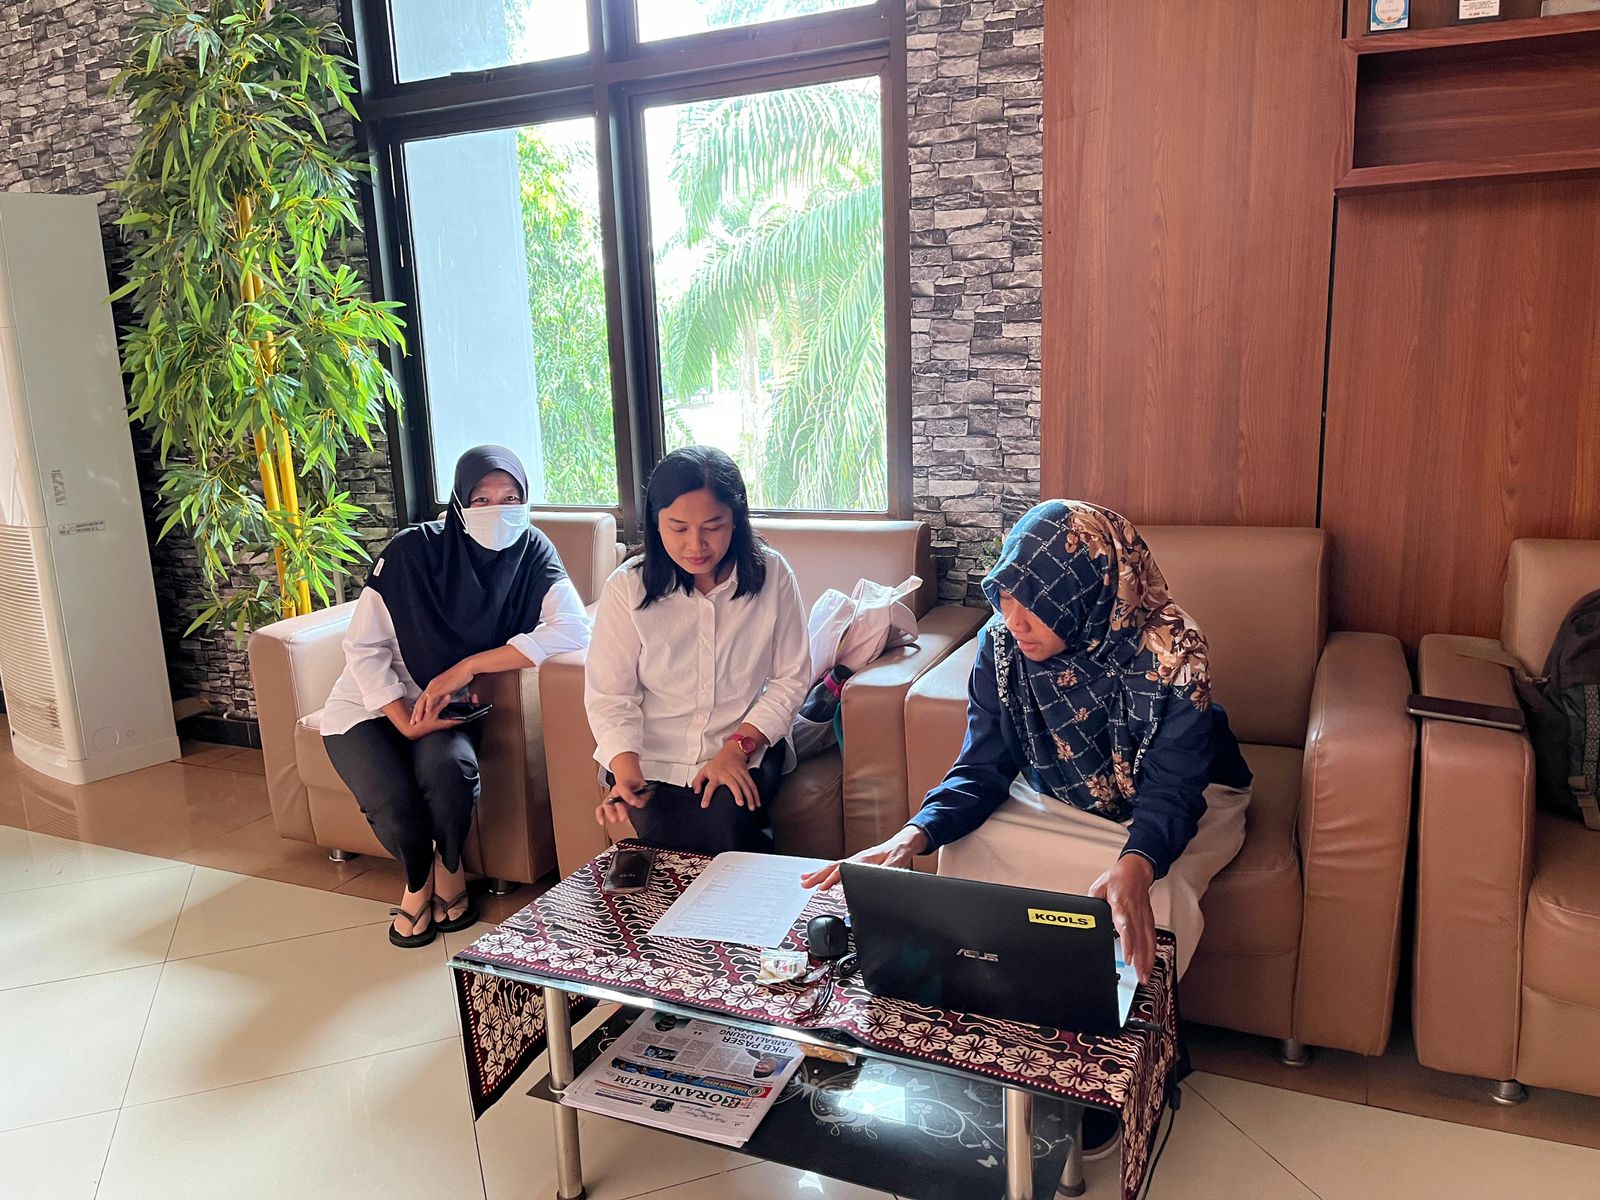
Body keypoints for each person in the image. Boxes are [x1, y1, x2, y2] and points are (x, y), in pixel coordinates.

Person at [803, 500, 1252, 1160]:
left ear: (1083, 591)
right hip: (1057, 789)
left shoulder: (1173, 649)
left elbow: (1175, 790)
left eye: (1033, 603)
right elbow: (982, 766)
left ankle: (1108, 1069)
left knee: (1158, 892)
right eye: (1005, 598)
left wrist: (1138, 862)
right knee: (969, 843)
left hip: (1179, 801)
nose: (1014, 620)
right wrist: (913, 834)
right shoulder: (1002, 646)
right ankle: (992, 1029)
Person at [321, 446, 591, 948]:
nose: (498, 510)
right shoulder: (411, 551)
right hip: (371, 702)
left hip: (449, 703)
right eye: (482, 499)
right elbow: (363, 647)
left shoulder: (532, 549)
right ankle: (417, 885)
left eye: (511, 498)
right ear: (460, 502)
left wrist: (466, 667)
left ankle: (451, 866)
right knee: (393, 801)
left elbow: (575, 629)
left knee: (451, 773)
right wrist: (402, 719)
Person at [585, 446, 810, 855]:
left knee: (724, 818)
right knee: (667, 838)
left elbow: (791, 679)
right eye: (678, 528)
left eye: (713, 526)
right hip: (652, 756)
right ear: (656, 522)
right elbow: (611, 695)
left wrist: (736, 750)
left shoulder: (772, 574)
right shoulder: (627, 587)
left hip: (744, 743)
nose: (696, 545)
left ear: (736, 519)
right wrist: (625, 770)